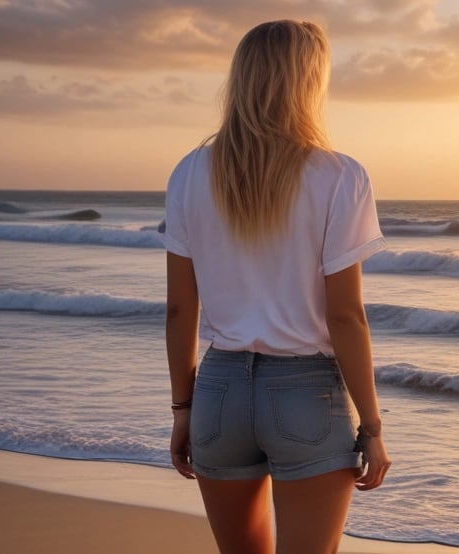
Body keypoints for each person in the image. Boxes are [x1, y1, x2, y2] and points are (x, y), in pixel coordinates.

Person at [162, 20, 391, 553]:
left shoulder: (190, 173)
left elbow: (179, 310)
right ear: (308, 82)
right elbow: (346, 317)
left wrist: (183, 410)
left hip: (219, 390)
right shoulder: (340, 176)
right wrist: (373, 426)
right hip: (305, 391)